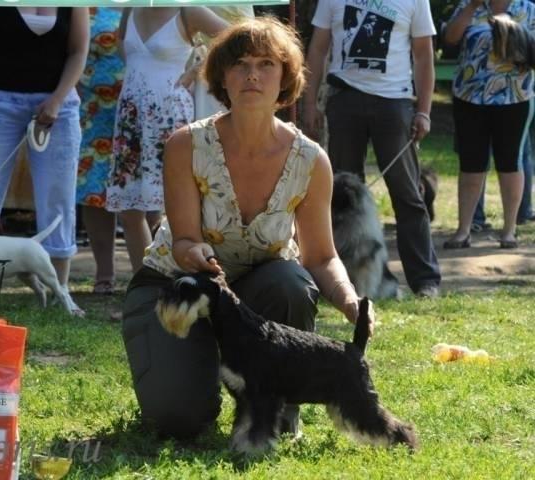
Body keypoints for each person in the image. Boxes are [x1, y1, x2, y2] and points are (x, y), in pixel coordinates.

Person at [122, 17, 363, 439]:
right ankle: (197, 377)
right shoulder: (185, 145)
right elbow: (184, 241)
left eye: (266, 64)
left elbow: (321, 257)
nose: (253, 74)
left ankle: (277, 410)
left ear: (285, 77)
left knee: (290, 282)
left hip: (257, 298)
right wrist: (194, 252)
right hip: (179, 286)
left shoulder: (311, 160)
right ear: (221, 77)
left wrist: (349, 301)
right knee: (179, 420)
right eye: (240, 64)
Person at [303, 0, 441, 298]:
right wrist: (310, 102)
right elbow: (318, 48)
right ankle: (336, 278)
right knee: (338, 197)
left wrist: (424, 111)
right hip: (344, 99)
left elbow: (423, 54)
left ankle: (425, 280)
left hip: (394, 102)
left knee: (407, 195)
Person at [0, 6, 89, 313]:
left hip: (59, 106)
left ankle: (60, 291)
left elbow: (78, 51)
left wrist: (57, 100)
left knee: (58, 196)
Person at [105, 7, 228, 275]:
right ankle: (145, 282)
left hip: (169, 114)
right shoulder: (132, 6)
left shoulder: (188, 10)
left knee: (172, 204)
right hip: (131, 114)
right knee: (129, 206)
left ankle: (180, 277)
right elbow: (121, 41)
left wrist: (195, 70)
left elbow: (234, 40)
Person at [443, 0, 535, 250]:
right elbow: (450, 39)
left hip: (514, 97)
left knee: (510, 163)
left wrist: (517, 42)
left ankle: (509, 231)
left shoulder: (528, 10)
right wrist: (471, 7)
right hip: (469, 97)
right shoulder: (468, 5)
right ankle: (463, 230)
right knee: (470, 163)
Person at [76, 7, 124, 295]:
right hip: (93, 110)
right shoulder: (87, 5)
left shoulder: (156, 3)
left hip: (143, 107)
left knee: (147, 195)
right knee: (94, 192)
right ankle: (104, 274)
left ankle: (150, 273)